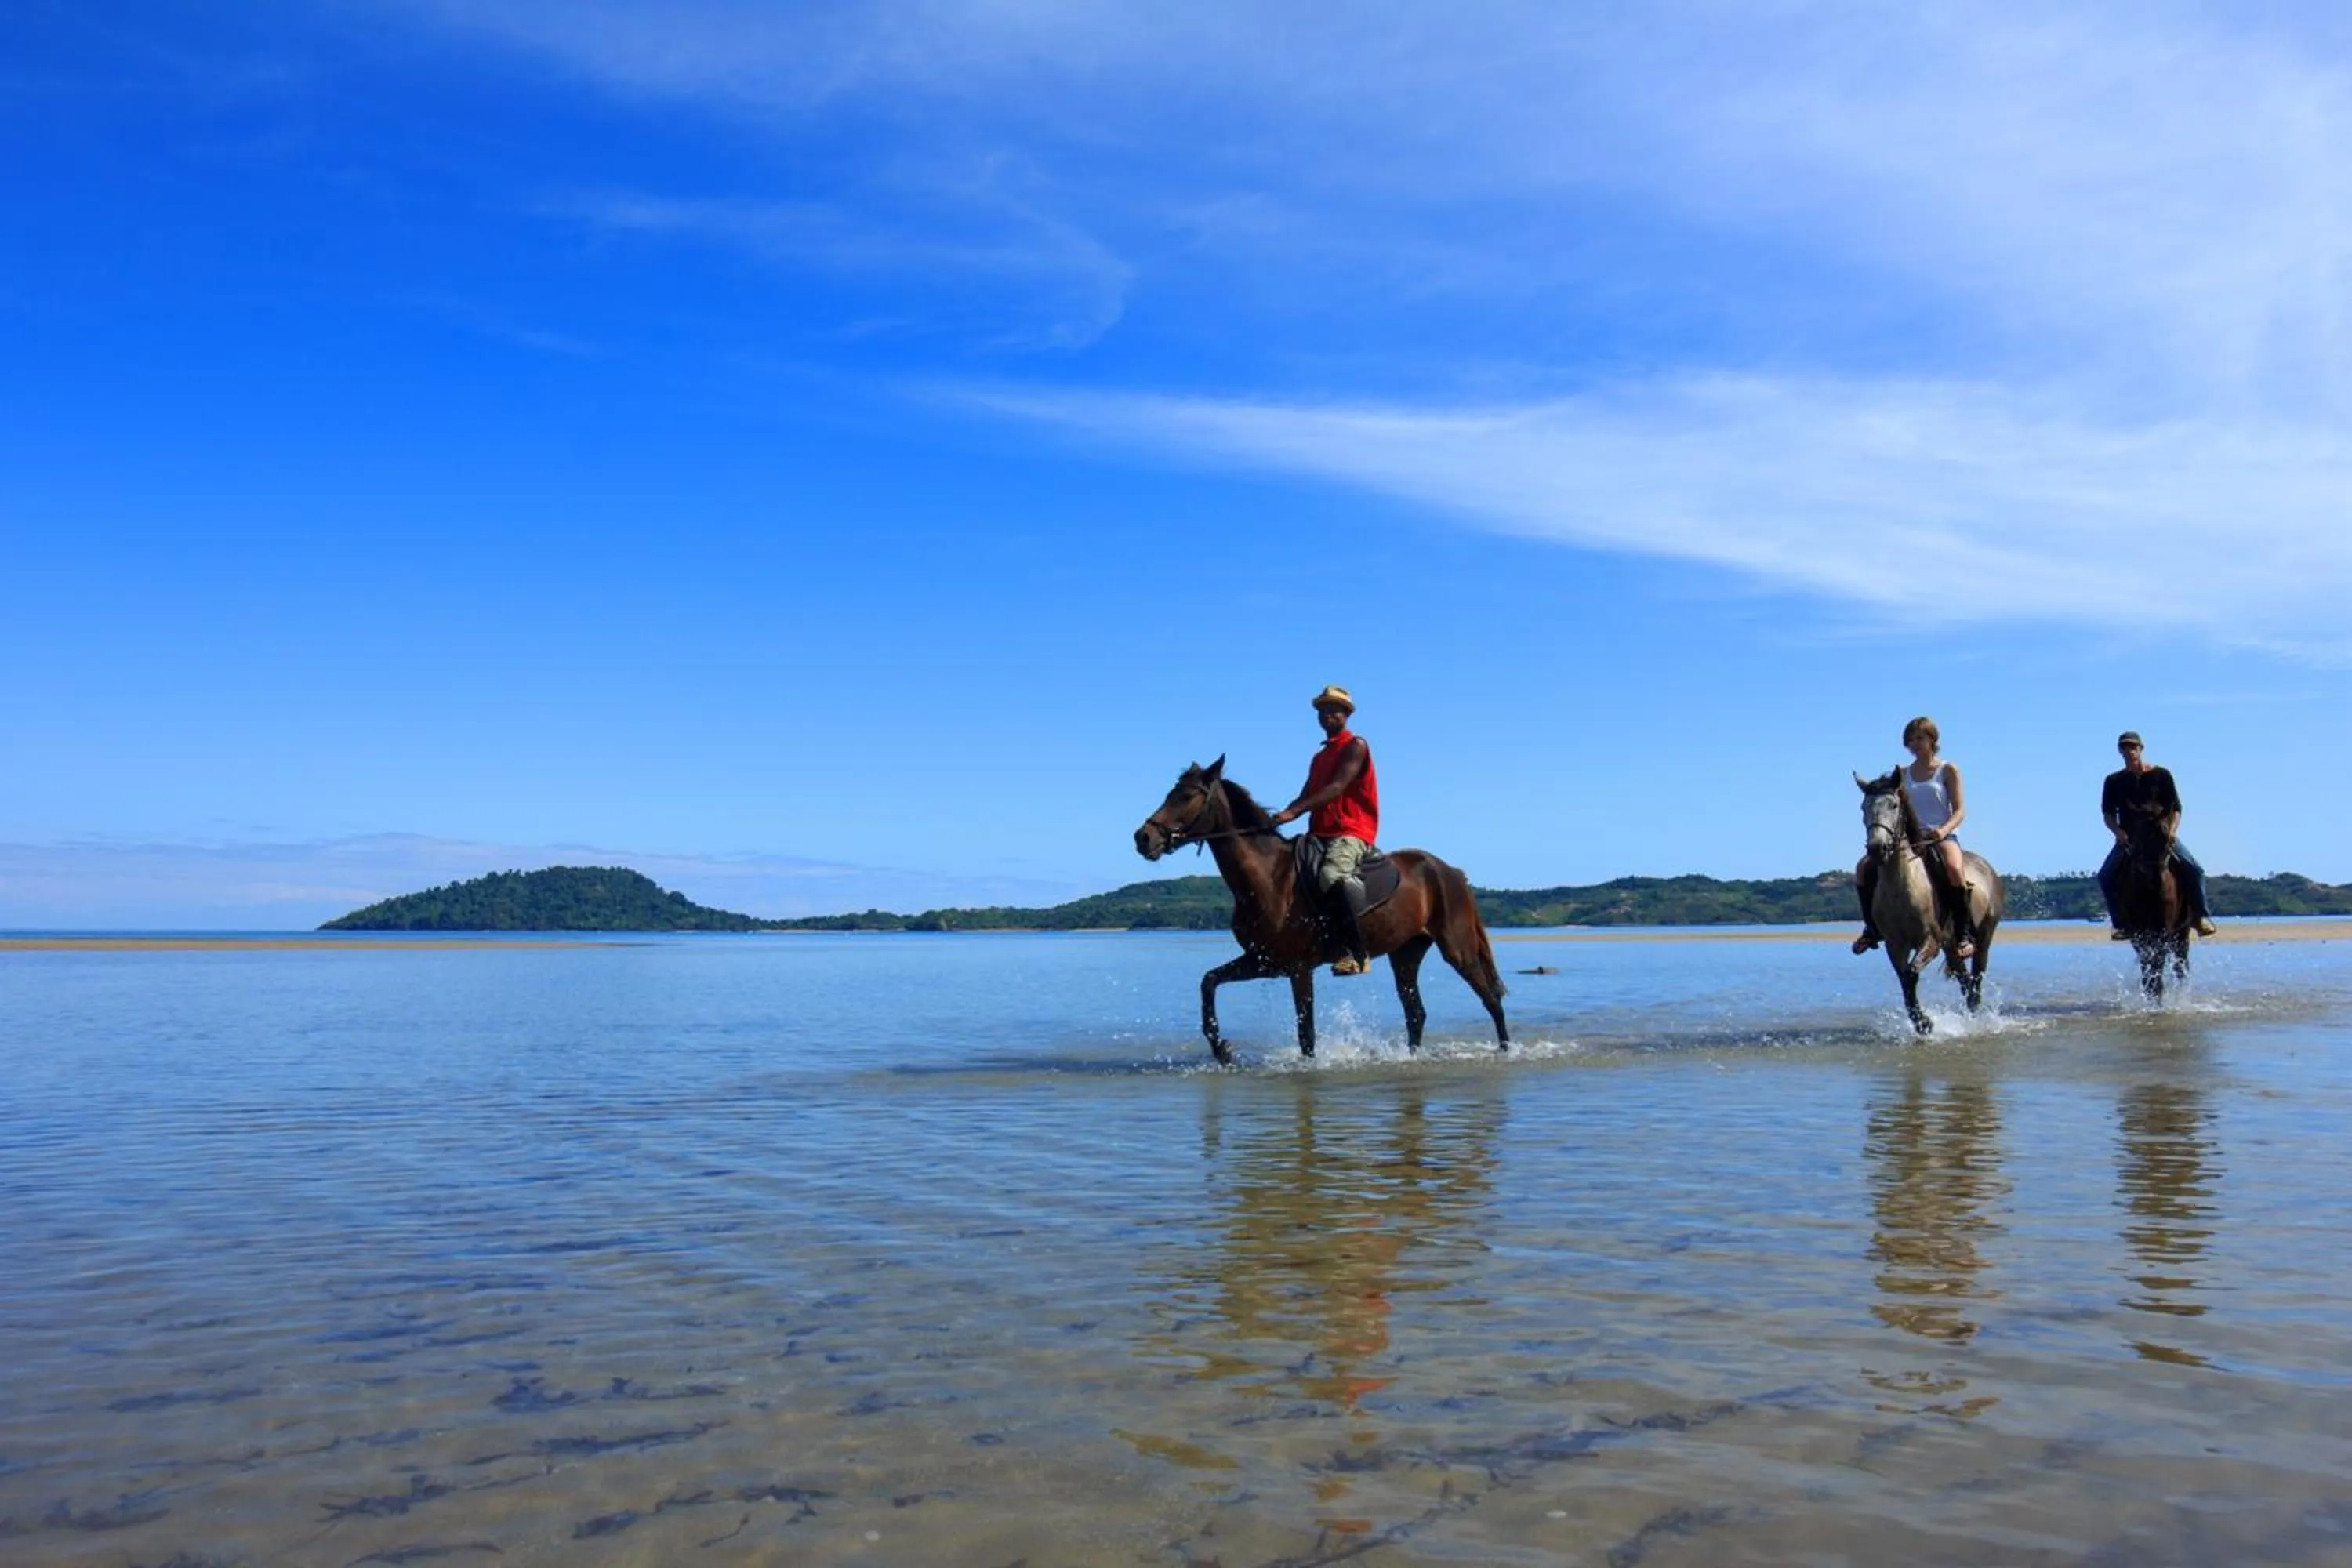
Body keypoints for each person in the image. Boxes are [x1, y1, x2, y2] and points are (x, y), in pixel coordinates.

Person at [1269, 684, 1380, 975]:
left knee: (1332, 875)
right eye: (1323, 710)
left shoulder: (1356, 745)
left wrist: (1294, 811)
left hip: (1351, 829)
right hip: (1319, 831)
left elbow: (1336, 788)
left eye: (1335, 710)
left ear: (1346, 714)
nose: (1328, 715)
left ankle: (1358, 953)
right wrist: (1279, 816)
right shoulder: (1319, 757)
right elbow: (1307, 792)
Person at [1853, 716, 1976, 961]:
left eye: (1920, 738)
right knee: (1862, 868)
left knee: (1953, 867)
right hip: (1908, 838)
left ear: (1932, 739)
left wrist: (1942, 831)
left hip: (1941, 835)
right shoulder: (1902, 773)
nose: (1915, 744)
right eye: (1910, 740)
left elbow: (1961, 810)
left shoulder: (1947, 770)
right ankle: (1871, 929)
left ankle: (1964, 934)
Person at [2098, 731, 2220, 938]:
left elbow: (2177, 808)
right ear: (2120, 751)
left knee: (2195, 869)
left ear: (2141, 749)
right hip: (2130, 838)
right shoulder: (2114, 781)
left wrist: (2172, 832)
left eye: (2133, 747)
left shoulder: (2161, 775)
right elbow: (2108, 814)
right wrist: (2118, 832)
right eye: (2125, 747)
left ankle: (2200, 917)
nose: (2129, 751)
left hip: (2161, 835)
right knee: (2105, 875)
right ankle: (2120, 924)